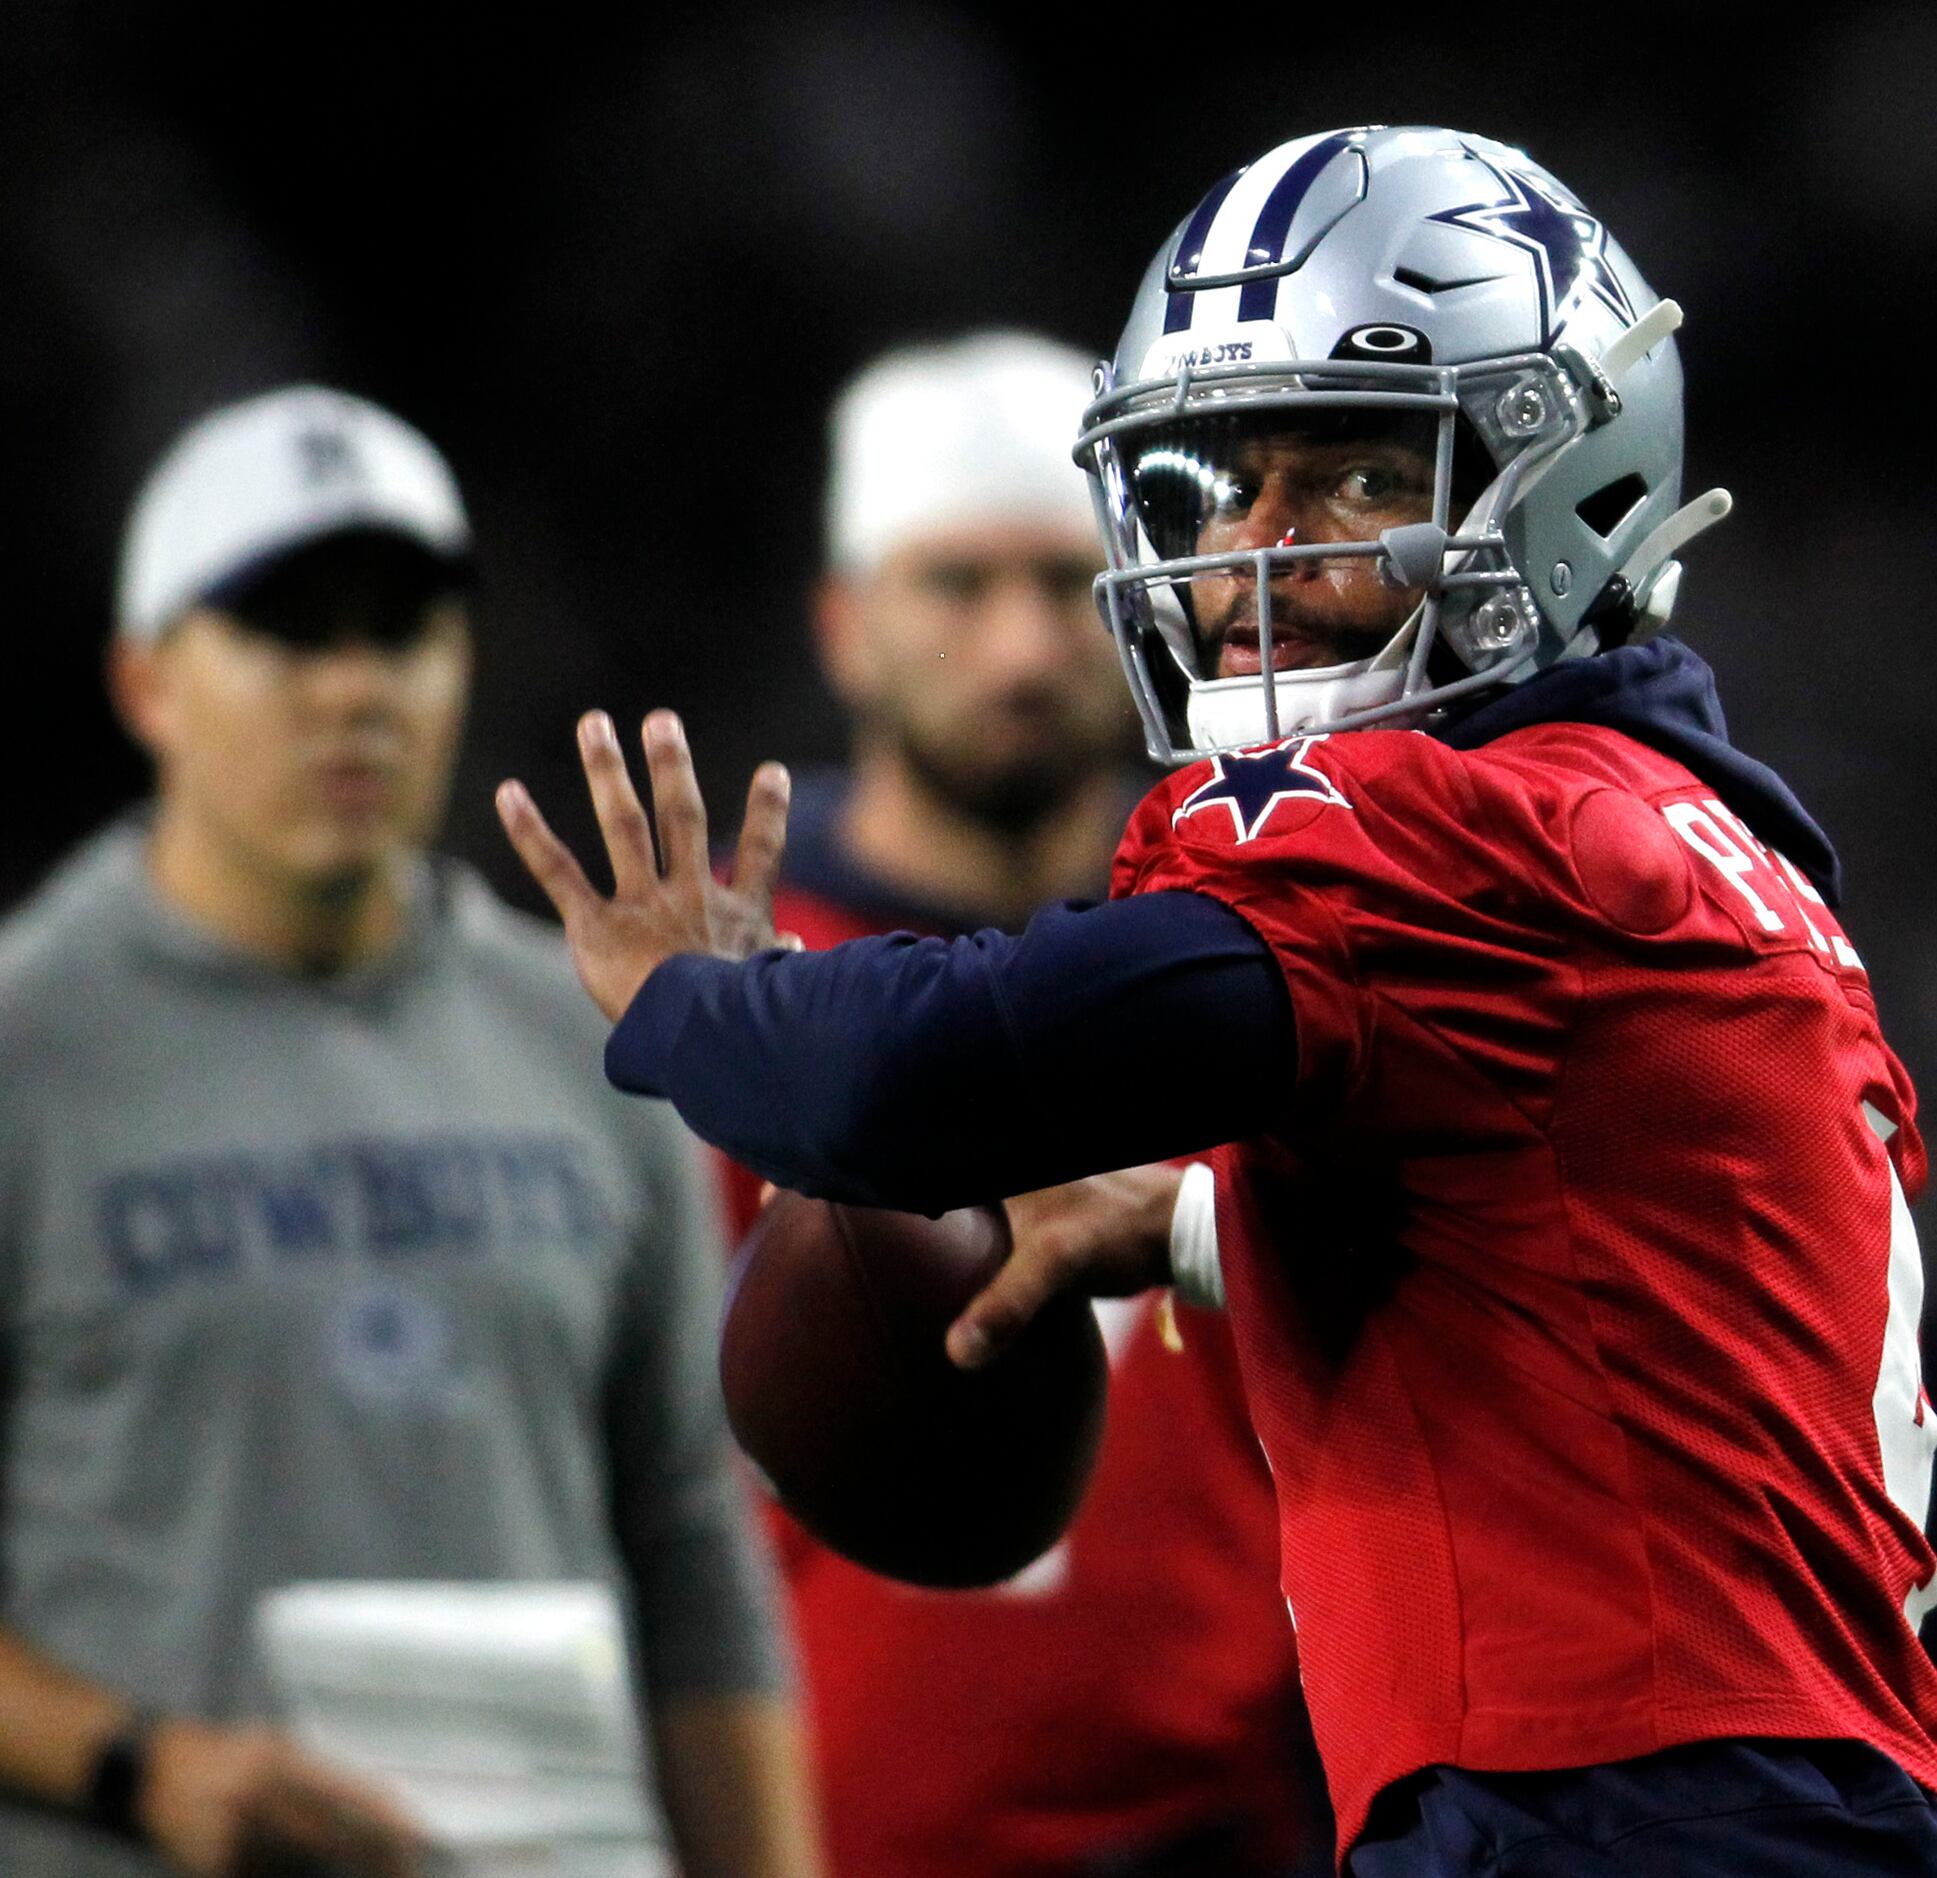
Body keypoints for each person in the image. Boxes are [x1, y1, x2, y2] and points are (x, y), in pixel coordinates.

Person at [497, 126, 1937, 1876]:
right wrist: (1194, 1222)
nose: (1251, 559)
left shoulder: (1460, 822)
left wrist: (687, 1000)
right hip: (1775, 1799)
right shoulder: (1708, 842)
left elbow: (945, 1068)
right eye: (1208, 491)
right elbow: (1591, 1290)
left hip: (1606, 1815)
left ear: (1561, 480)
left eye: (1348, 480)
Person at [0, 385, 820, 1878]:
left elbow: (692, 1546)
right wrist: (142, 1764)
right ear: (146, 682)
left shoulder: (592, 1038)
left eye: (402, 629)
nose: (355, 688)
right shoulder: (25, 1046)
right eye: (288, 630)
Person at [717, 330, 1328, 1877]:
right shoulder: (740, 991)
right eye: (954, 584)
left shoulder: (1264, 946)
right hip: (846, 1828)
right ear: (846, 626)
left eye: (1064, 586)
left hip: (1230, 1826)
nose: (1018, 648)